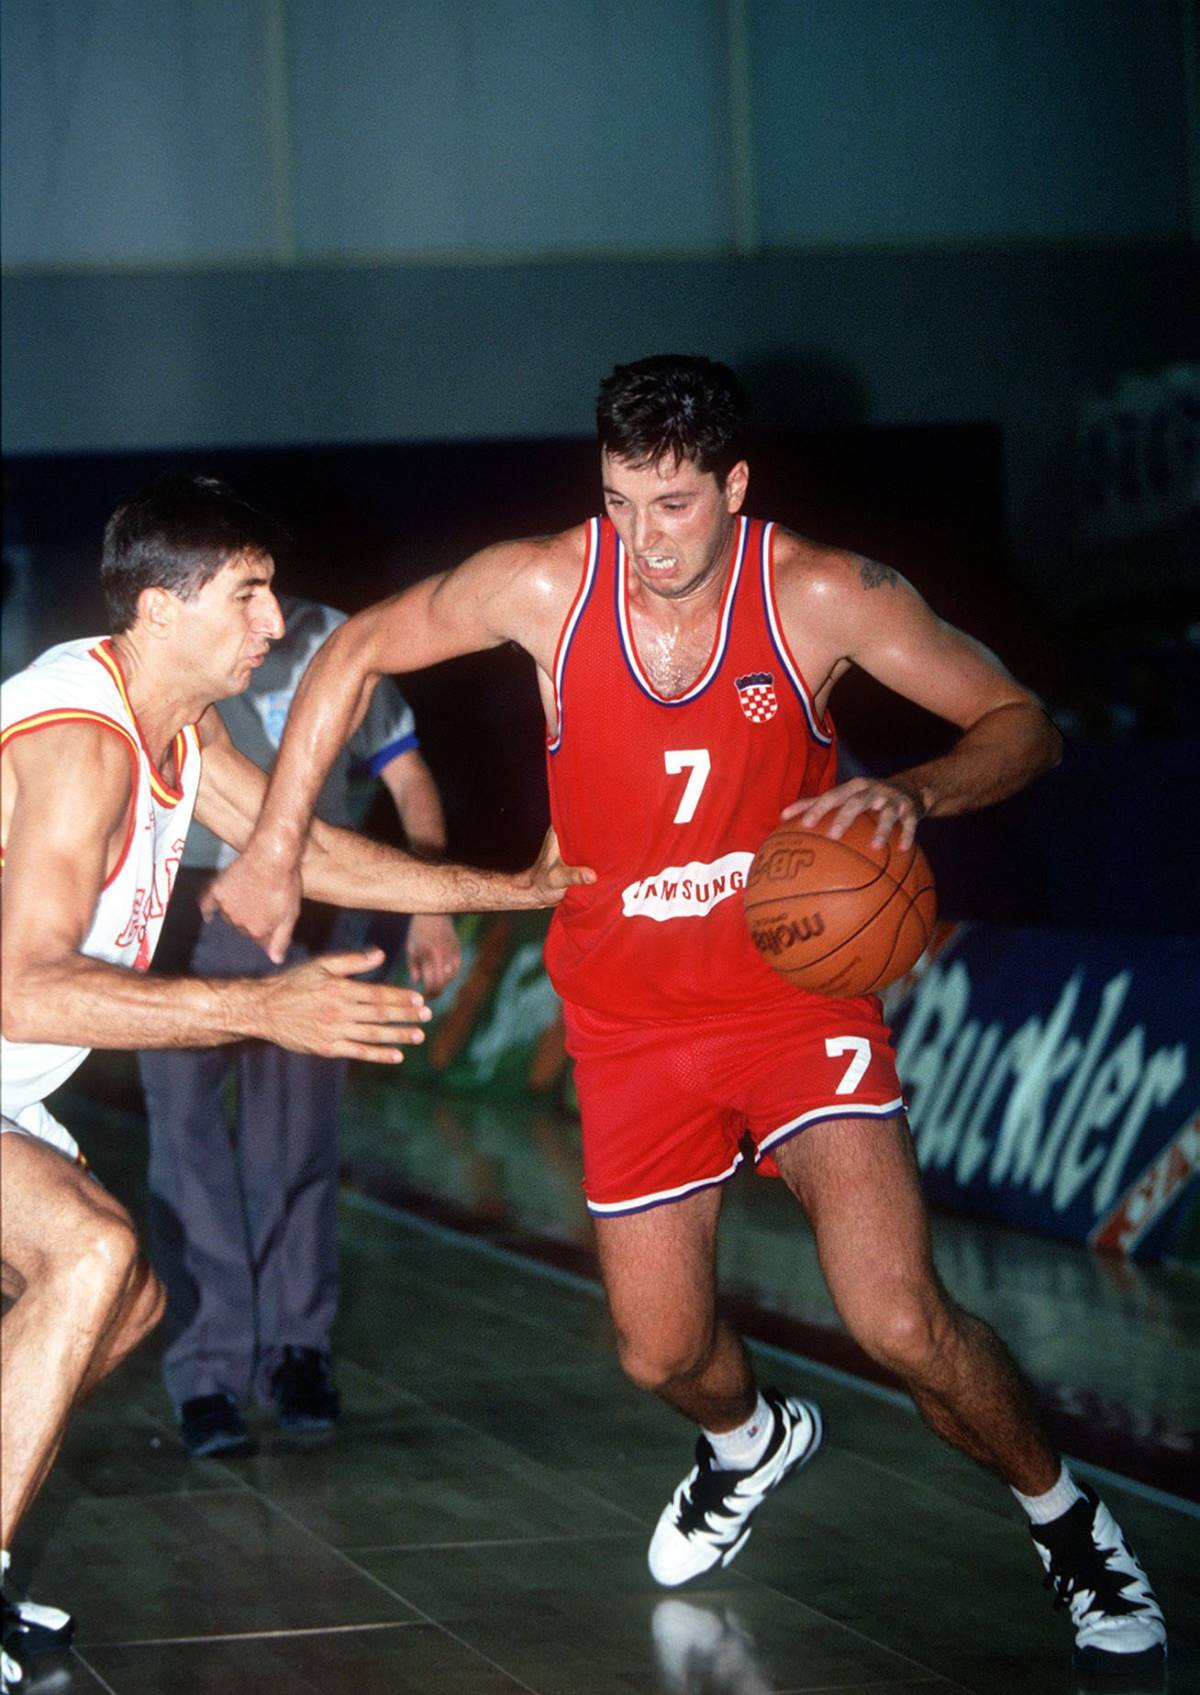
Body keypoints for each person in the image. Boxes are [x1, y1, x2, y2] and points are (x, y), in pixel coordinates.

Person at [208, 358, 1165, 1681]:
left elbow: (1023, 722)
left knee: (897, 1317)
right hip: (628, 1018)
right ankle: (749, 1439)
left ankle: (1070, 1522)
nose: (644, 538)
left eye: (670, 505)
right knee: (659, 1346)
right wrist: (271, 847)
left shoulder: (827, 593)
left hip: (795, 1001)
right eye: (617, 500)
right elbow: (354, 645)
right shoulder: (549, 582)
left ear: (734, 485)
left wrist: (920, 793)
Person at [0, 474, 586, 1689]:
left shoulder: (176, 725)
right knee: (92, 1255)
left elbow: (299, 845)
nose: (276, 626)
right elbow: (25, 990)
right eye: (249, 596)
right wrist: (265, 1004)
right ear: (161, 610)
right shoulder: (79, 745)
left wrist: (509, 890)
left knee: (130, 1303)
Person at [137, 593, 462, 1457]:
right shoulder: (174, 642)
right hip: (189, 915)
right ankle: (208, 1375)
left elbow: (408, 776)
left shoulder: (344, 643)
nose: (263, 599)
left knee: (297, 1151)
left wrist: (431, 909)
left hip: (316, 914)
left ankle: (297, 1353)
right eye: (244, 578)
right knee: (188, 1151)